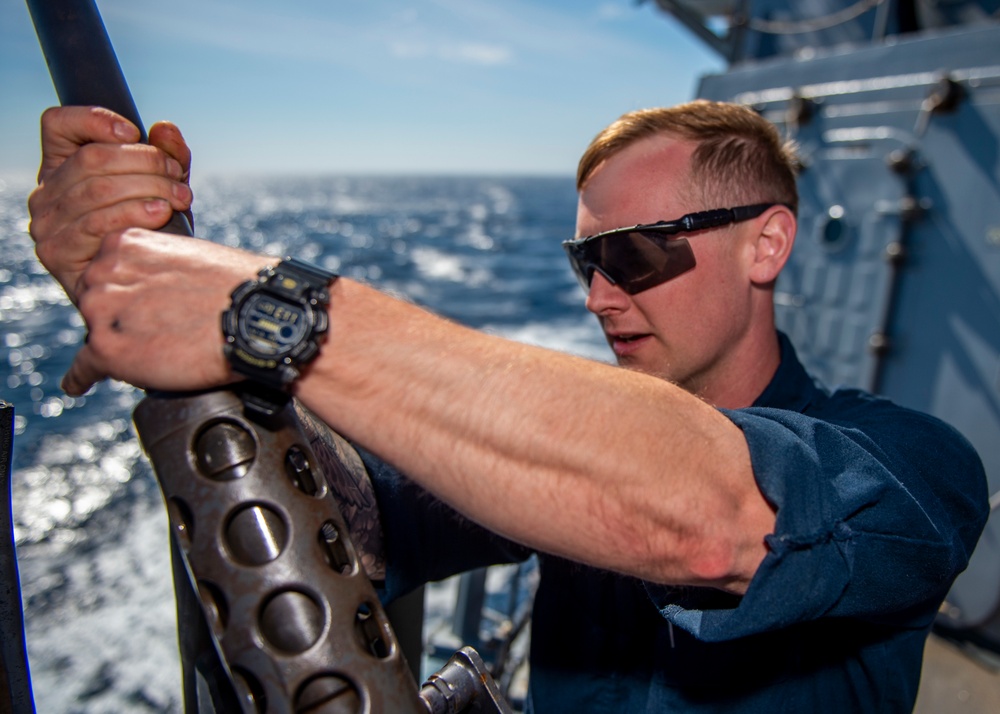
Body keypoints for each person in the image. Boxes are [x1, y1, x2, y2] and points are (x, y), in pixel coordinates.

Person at [28, 100, 987, 712]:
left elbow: (711, 517)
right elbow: (353, 514)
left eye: (636, 254)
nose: (599, 296)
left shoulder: (913, 463)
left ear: (766, 245)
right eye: (584, 261)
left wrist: (270, 313)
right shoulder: (575, 444)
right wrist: (135, 283)